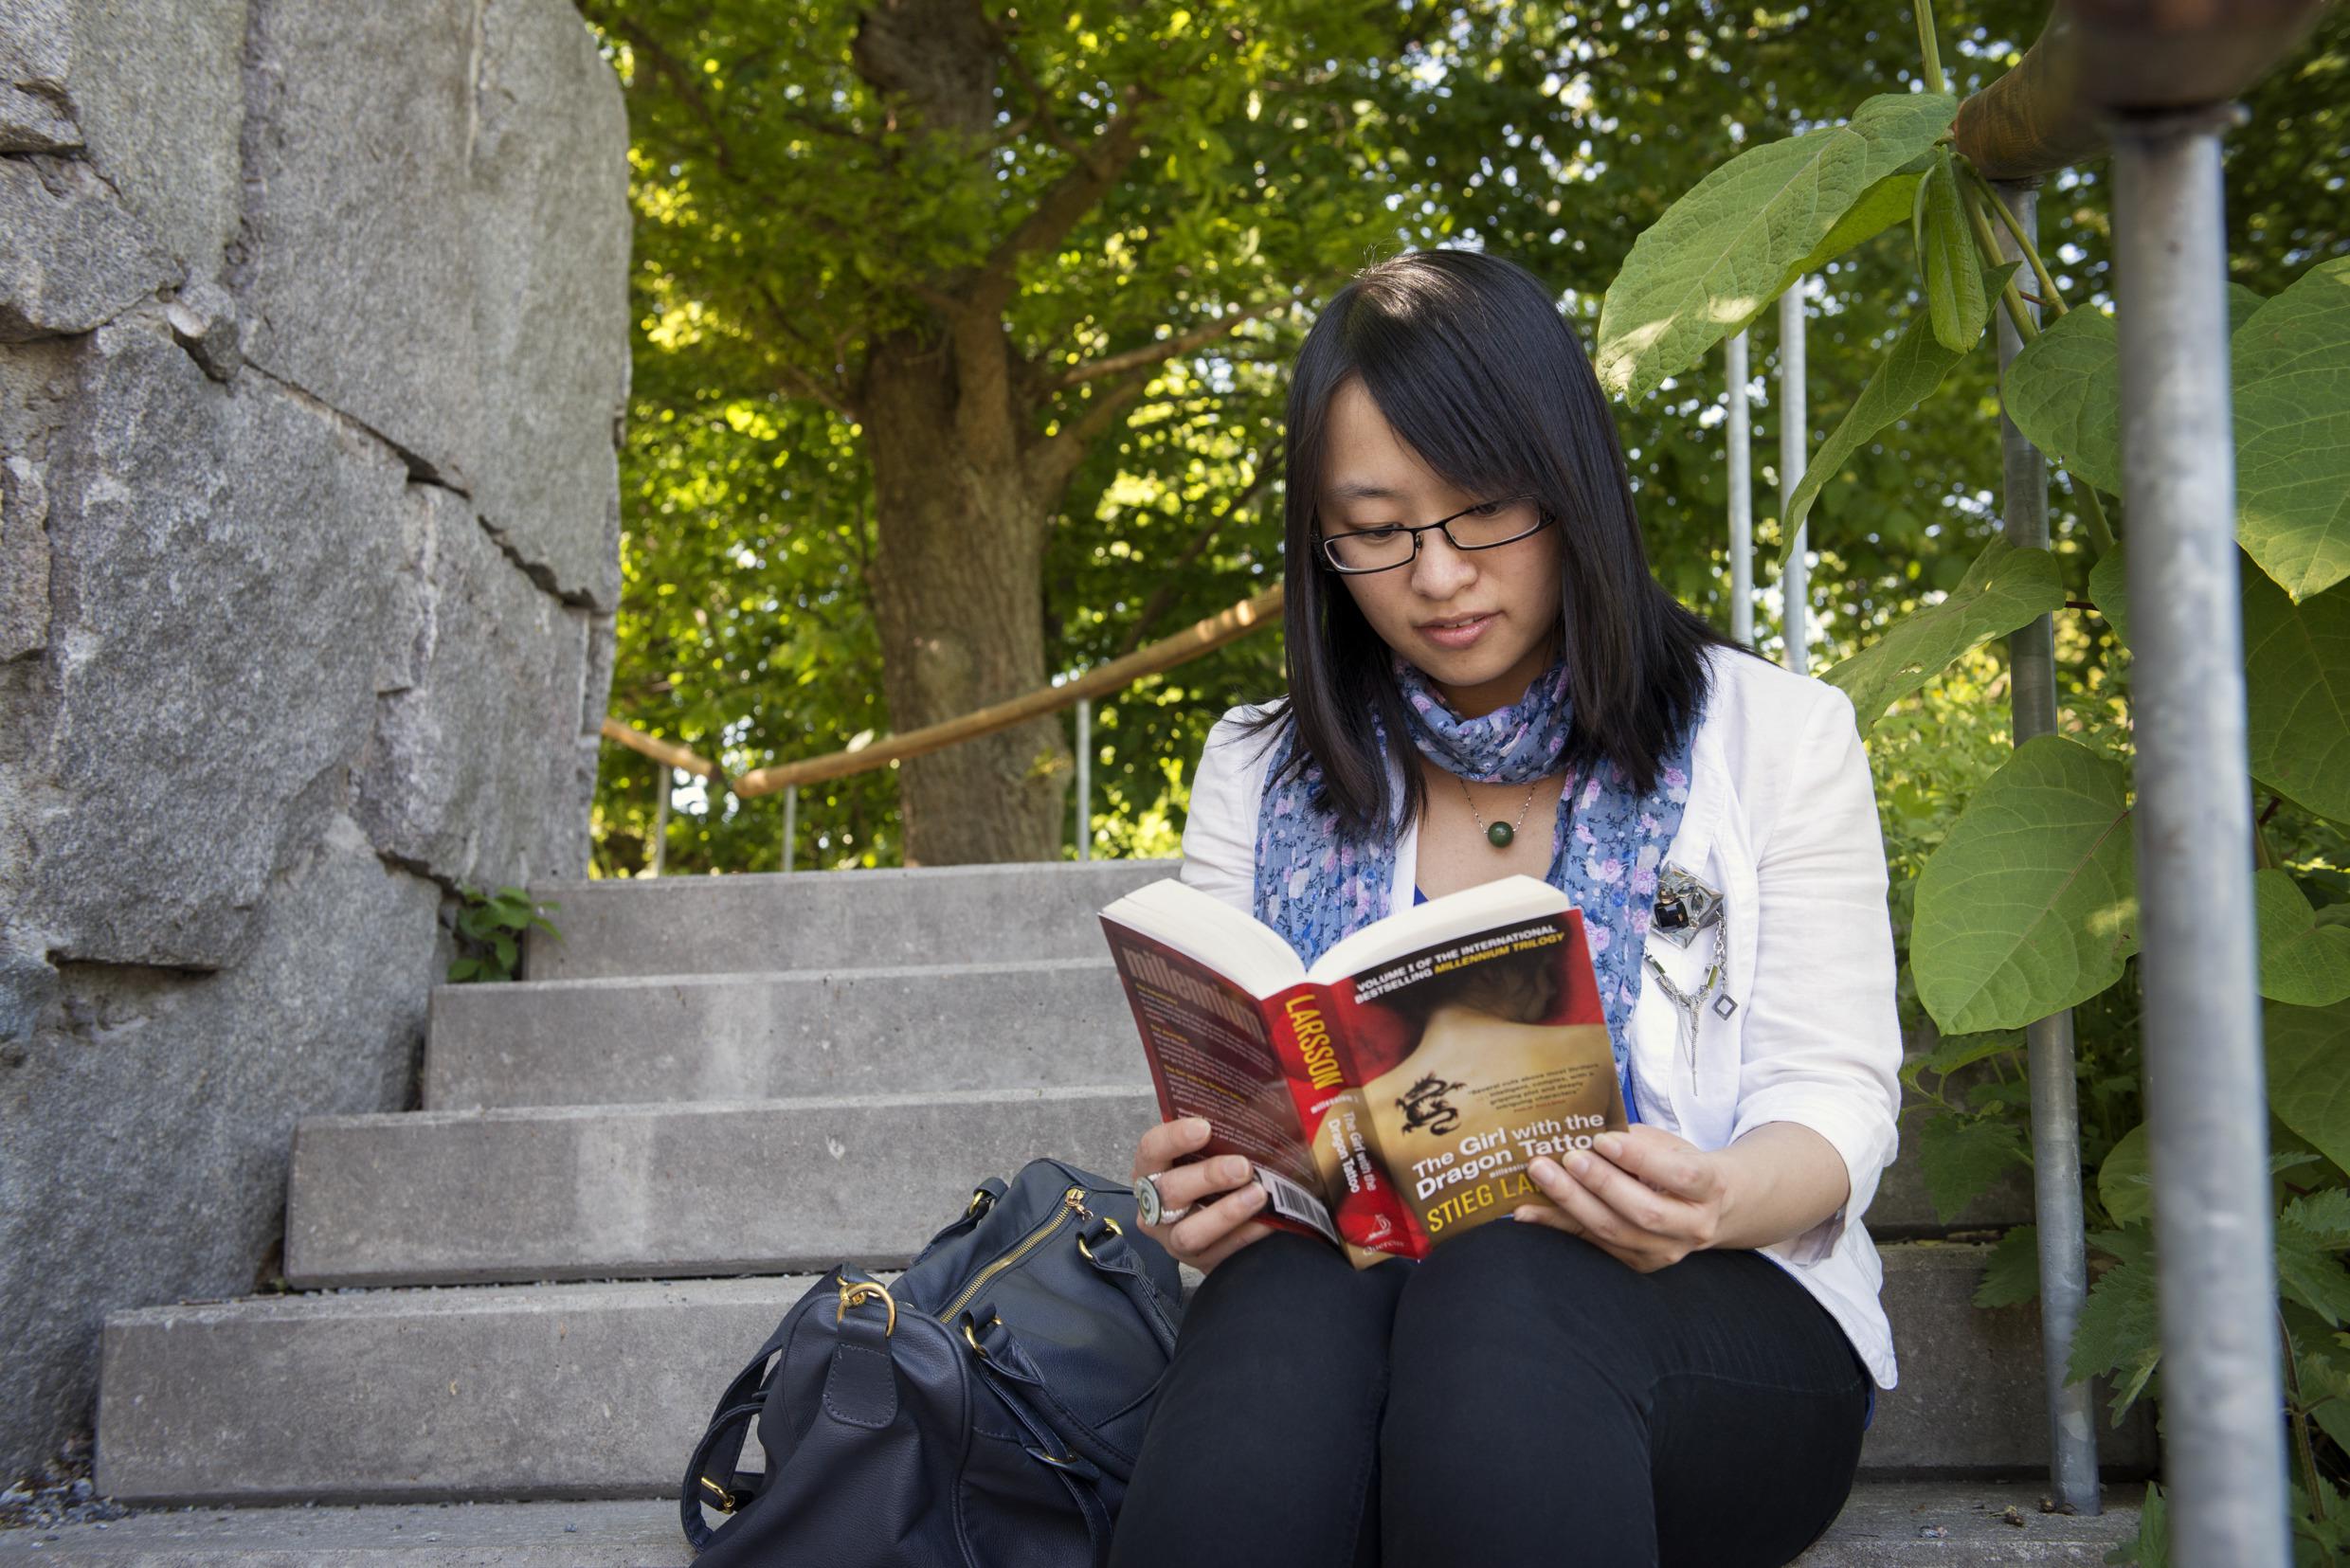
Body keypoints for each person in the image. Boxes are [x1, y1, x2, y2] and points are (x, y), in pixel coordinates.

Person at [1106, 248, 1903, 1568]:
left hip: (1709, 1325)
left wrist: (1709, 1195)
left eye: (1483, 511)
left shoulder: (1775, 737)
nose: (1437, 574)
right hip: (1360, 1330)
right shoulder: (1257, 767)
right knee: (1279, 1300)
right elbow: (1245, 1107)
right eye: (1376, 528)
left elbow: (1837, 1106)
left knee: (1501, 1278)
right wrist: (1210, 1191)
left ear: (1571, 484)